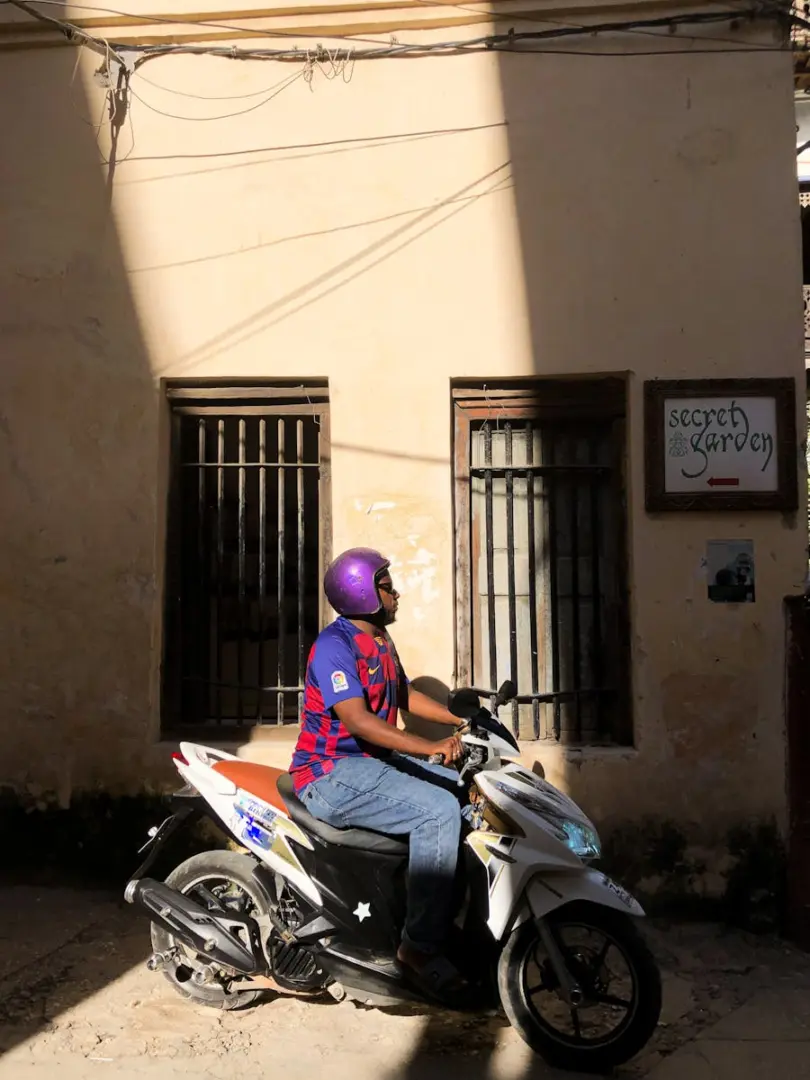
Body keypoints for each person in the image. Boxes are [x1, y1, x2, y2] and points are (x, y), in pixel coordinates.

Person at [290, 547, 471, 1004]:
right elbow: (359, 721)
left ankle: (442, 914)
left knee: (462, 790)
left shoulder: (380, 641)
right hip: (330, 772)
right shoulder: (333, 646)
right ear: (362, 593)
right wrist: (429, 746)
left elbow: (402, 695)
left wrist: (459, 721)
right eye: (387, 586)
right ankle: (417, 948)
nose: (396, 594)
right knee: (439, 813)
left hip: (371, 764)